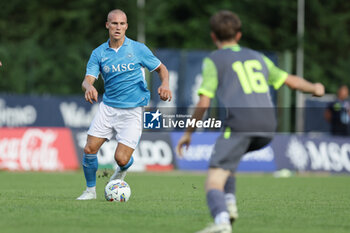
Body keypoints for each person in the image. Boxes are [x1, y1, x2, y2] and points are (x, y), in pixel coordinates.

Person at [176, 10, 324, 233]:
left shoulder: (214, 60)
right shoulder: (257, 57)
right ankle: (231, 204)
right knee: (228, 162)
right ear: (239, 35)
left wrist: (188, 133)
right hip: (267, 126)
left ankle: (222, 222)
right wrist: (315, 88)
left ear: (213, 37)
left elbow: (204, 103)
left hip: (241, 124)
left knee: (213, 180)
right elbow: (290, 81)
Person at [77, 9, 172, 200]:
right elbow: (87, 80)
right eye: (114, 23)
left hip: (133, 111)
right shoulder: (99, 53)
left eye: (122, 24)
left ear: (127, 26)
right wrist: (88, 87)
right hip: (108, 108)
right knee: (89, 149)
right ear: (107, 25)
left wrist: (165, 84)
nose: (118, 27)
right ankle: (89, 191)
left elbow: (162, 69)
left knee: (121, 159)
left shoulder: (138, 49)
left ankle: (123, 168)